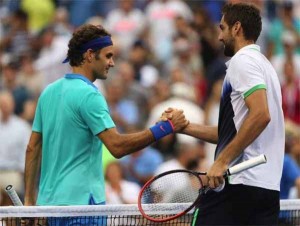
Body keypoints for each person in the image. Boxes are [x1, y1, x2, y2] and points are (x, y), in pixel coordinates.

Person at [24, 24, 188, 225]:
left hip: (47, 207)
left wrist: (29, 200)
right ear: (90, 55)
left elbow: (32, 148)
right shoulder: (90, 95)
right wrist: (164, 128)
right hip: (82, 209)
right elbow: (117, 146)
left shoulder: (48, 92)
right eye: (108, 56)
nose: (112, 63)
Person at [164, 3, 284, 225]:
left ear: (236, 28)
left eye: (222, 28)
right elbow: (238, 132)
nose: (219, 36)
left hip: (239, 184)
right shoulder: (266, 66)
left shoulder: (242, 60)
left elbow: (261, 116)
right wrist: (186, 127)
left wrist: (222, 160)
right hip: (267, 190)